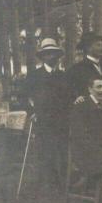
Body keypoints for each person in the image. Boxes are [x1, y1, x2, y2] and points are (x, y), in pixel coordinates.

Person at [26, 39, 70, 190]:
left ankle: (63, 183)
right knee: (45, 151)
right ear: (43, 56)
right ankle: (46, 183)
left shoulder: (63, 75)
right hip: (43, 120)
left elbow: (68, 98)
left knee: (62, 150)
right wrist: (32, 112)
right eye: (48, 54)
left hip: (61, 120)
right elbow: (27, 97)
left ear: (58, 56)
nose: (52, 57)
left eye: (54, 54)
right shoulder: (34, 75)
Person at [68, 77, 102, 197]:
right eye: (99, 87)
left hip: (101, 151)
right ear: (90, 89)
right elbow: (81, 138)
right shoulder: (80, 107)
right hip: (84, 155)